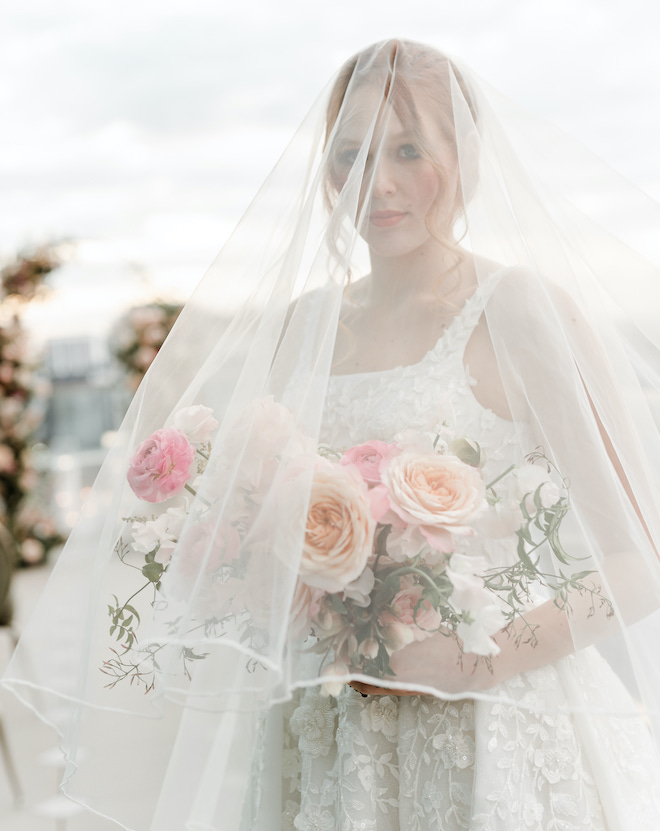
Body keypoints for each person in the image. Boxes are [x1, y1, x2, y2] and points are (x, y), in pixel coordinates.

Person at [4, 39, 660, 830]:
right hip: (330, 728)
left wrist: (476, 660)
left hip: (497, 732)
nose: (375, 184)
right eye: (349, 154)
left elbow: (636, 560)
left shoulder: (518, 308)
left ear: (466, 159)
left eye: (408, 149)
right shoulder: (304, 326)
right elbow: (257, 521)